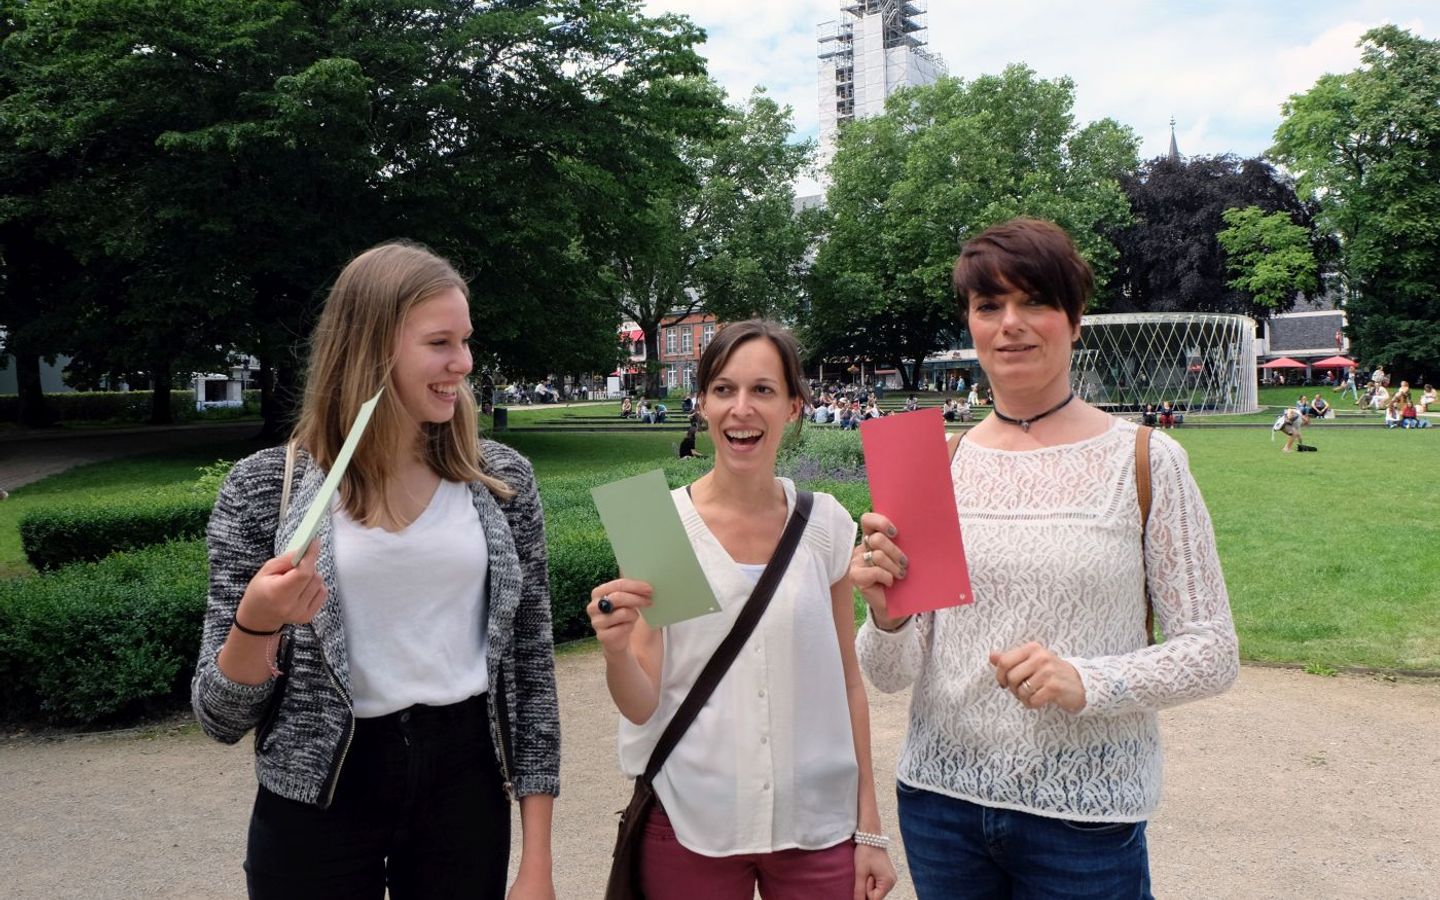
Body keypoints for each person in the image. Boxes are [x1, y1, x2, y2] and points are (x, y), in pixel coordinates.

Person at [851, 218, 1238, 898]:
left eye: (1035, 301)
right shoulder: (933, 465)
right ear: (970, 324)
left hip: (1083, 820)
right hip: (941, 804)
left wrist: (1089, 681)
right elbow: (891, 675)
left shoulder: (1145, 460)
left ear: (1075, 318)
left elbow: (1212, 651)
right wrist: (884, 618)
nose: (1012, 324)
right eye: (989, 306)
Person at [191, 242, 559, 898]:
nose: (463, 364)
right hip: (320, 798)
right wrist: (257, 620)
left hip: (465, 787)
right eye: (440, 342)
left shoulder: (503, 481)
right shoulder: (261, 490)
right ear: (370, 350)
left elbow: (530, 673)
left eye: (466, 341)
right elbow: (219, 715)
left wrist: (538, 860)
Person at [588, 320, 897, 899]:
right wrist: (613, 651)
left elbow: (846, 682)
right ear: (702, 403)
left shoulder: (825, 523)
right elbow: (641, 701)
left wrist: (869, 825)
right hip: (691, 818)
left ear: (794, 407)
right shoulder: (655, 523)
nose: (741, 409)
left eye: (763, 390)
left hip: (814, 822)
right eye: (724, 390)